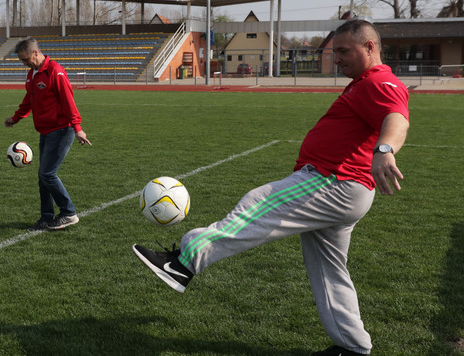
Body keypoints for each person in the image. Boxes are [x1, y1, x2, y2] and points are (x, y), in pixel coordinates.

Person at [133, 19, 409, 356]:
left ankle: (183, 262)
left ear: (369, 47)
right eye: (334, 51)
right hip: (347, 188)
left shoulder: (379, 81)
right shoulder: (364, 82)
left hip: (332, 181)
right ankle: (352, 347)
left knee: (257, 203)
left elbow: (396, 118)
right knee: (329, 271)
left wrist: (385, 150)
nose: (337, 58)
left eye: (343, 51)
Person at [5, 37, 92, 231]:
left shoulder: (55, 71)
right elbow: (29, 99)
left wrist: (77, 127)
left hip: (62, 130)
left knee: (47, 173)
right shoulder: (33, 73)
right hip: (45, 131)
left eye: (26, 59)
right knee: (42, 175)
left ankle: (69, 213)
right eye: (21, 60)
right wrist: (16, 117)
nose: (24, 63)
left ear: (35, 52)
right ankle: (46, 217)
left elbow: (69, 100)